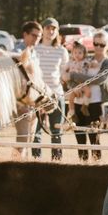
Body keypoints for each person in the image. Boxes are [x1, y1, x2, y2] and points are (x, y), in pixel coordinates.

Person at [32, 18, 67, 161]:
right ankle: (36, 160)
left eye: (54, 29)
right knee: (36, 130)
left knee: (56, 130)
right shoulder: (35, 49)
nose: (51, 31)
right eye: (48, 28)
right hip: (38, 95)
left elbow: (63, 73)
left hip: (56, 93)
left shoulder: (62, 51)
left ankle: (56, 160)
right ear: (43, 30)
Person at [64, 41, 97, 160]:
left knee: (88, 92)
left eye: (80, 53)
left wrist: (93, 63)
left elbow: (92, 64)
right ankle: (72, 112)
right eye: (75, 53)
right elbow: (64, 72)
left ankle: (85, 105)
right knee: (71, 98)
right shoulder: (70, 63)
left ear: (84, 54)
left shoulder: (85, 62)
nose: (77, 55)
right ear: (72, 54)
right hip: (74, 84)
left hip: (83, 83)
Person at [87, 31, 108, 147]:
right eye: (96, 43)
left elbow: (100, 79)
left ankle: (96, 159)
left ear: (107, 46)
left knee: (94, 133)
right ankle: (82, 159)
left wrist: (76, 77)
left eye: (102, 45)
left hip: (97, 101)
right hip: (82, 100)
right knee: (80, 131)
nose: (98, 47)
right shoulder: (86, 59)